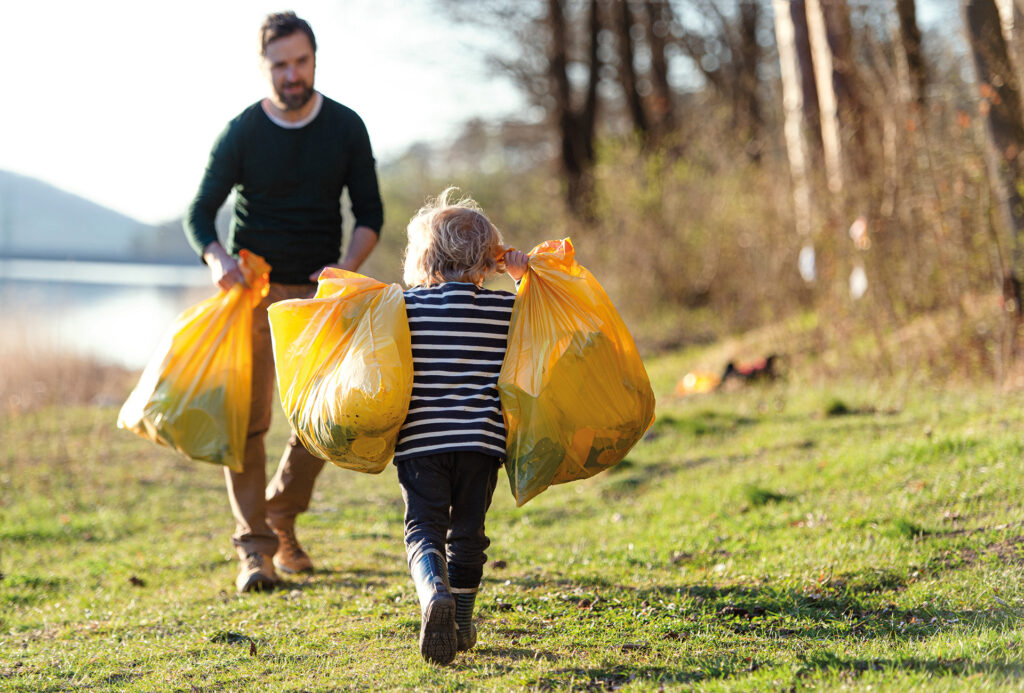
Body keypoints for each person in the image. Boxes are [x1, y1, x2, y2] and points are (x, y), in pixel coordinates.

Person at [183, 11, 384, 593]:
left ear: (315, 59)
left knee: (327, 420)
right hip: (254, 293)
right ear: (265, 67)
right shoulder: (243, 130)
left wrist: (346, 270)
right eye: (279, 65)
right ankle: (256, 553)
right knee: (248, 425)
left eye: (300, 62)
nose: (291, 75)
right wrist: (220, 261)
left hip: (320, 298)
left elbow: (370, 214)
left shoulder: (346, 127)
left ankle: (280, 513)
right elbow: (199, 213)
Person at [394, 188, 528, 664]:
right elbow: (542, 325)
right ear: (487, 261)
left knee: (424, 530)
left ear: (424, 257)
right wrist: (520, 278)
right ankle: (464, 621)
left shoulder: (404, 311)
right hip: (480, 442)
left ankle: (434, 596)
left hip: (421, 442)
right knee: (468, 533)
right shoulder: (506, 310)